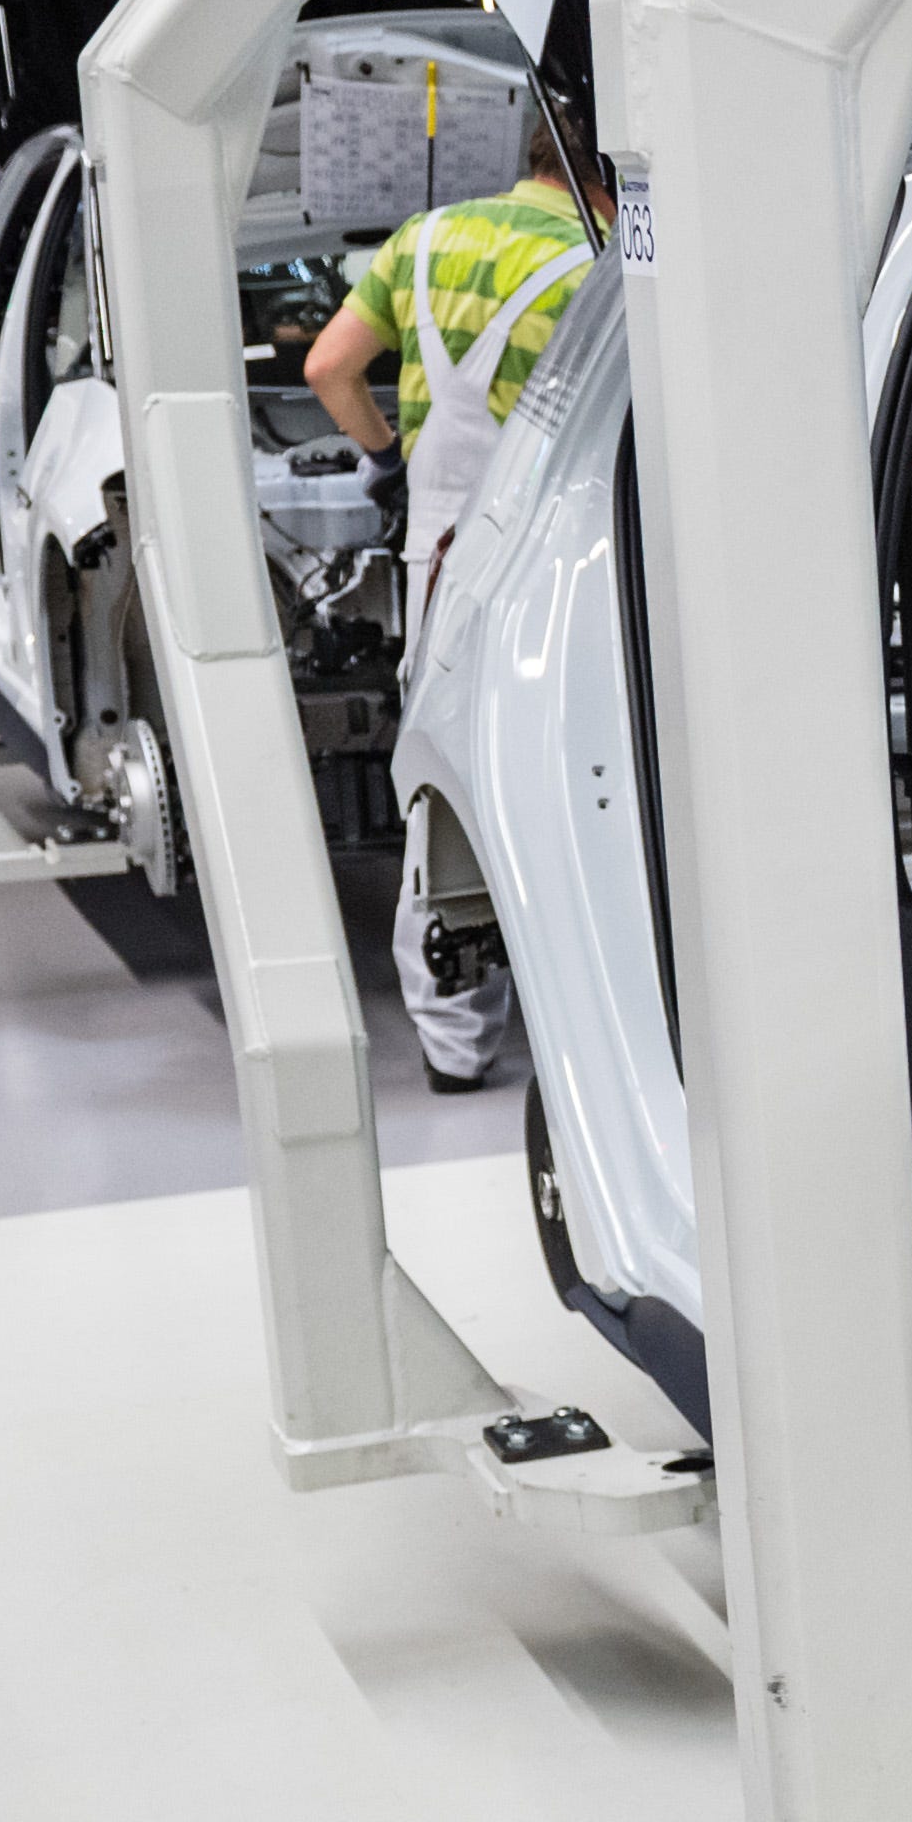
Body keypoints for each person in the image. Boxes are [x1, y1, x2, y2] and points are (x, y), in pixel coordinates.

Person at [301, 104, 604, 1096]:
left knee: (436, 787)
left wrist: (385, 461)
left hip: (438, 557)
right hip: (556, 563)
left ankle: (453, 1043)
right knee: (576, 779)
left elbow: (328, 369)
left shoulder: (423, 241)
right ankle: (592, 1022)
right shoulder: (595, 267)